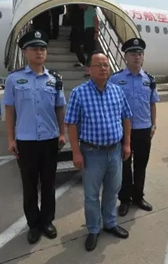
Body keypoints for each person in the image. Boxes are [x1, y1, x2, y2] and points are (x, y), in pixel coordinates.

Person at [2, 29, 66, 245]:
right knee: (29, 185)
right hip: (26, 141)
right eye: (34, 49)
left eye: (42, 48)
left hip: (50, 140)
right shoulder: (14, 79)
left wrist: (62, 133)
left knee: (49, 183)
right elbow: (9, 110)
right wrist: (11, 139)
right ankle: (33, 224)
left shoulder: (55, 79)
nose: (39, 52)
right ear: (25, 52)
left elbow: (60, 108)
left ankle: (47, 221)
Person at [65, 51, 132, 252]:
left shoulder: (117, 91)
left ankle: (110, 223)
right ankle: (93, 229)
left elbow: (126, 118)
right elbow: (71, 124)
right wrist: (76, 152)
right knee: (92, 195)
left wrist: (127, 144)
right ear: (89, 70)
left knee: (112, 190)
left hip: (115, 151)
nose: (104, 68)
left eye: (106, 65)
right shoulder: (79, 93)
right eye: (99, 65)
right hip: (92, 153)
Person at [108, 38, 160, 216]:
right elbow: (109, 104)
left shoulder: (149, 80)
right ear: (125, 57)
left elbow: (152, 104)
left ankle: (138, 196)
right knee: (124, 166)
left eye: (140, 54)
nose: (137, 57)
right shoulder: (116, 79)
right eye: (133, 54)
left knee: (141, 165)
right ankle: (125, 199)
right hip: (123, 130)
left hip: (144, 129)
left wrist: (154, 125)